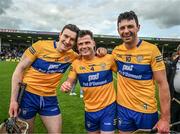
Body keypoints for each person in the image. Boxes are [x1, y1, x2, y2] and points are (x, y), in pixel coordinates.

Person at [8, 24, 106, 133]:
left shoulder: (73, 56)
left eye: (72, 39)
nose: (68, 41)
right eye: (66, 36)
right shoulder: (39, 46)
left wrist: (100, 51)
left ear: (74, 43)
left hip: (49, 99)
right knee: (27, 132)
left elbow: (89, 57)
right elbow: (19, 70)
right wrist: (13, 100)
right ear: (60, 35)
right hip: (28, 96)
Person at [112, 11, 170, 133]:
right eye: (122, 28)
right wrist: (100, 50)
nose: (126, 31)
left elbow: (162, 84)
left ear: (138, 27)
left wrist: (165, 119)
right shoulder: (116, 51)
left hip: (146, 111)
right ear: (118, 31)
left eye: (130, 26)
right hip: (123, 108)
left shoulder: (152, 50)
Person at [61, 30, 117, 134]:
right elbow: (69, 81)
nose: (84, 46)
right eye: (80, 44)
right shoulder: (76, 64)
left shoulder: (108, 59)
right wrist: (66, 85)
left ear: (94, 43)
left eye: (87, 42)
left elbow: (123, 75)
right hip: (89, 111)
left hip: (108, 109)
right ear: (77, 47)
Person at [167, 45, 180, 132]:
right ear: (178, 51)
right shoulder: (173, 63)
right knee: (173, 118)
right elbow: (168, 79)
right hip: (175, 97)